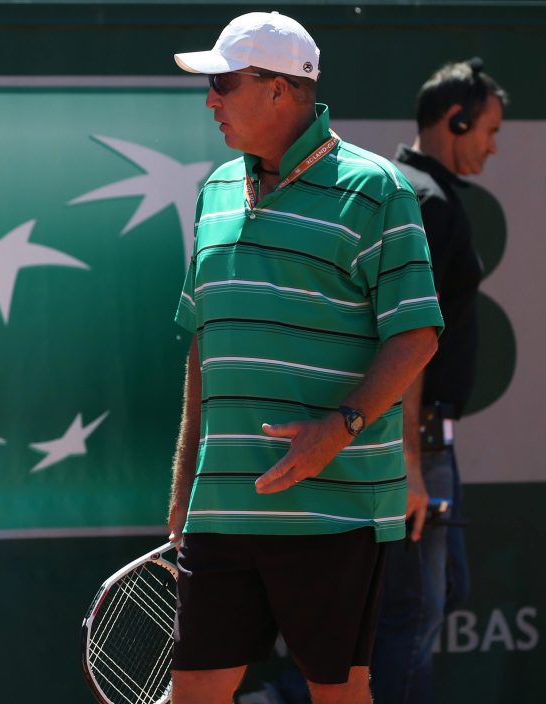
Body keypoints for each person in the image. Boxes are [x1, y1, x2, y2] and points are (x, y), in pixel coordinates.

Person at [167, 12, 444, 704]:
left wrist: (340, 427)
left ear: (279, 91)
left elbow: (416, 335)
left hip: (337, 508)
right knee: (196, 689)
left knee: (339, 691)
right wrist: (183, 489)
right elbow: (204, 343)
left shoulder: (378, 191)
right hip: (223, 509)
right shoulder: (215, 192)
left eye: (224, 84)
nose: (211, 101)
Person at [371, 59, 507, 704]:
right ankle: (286, 697)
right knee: (412, 615)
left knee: (441, 593)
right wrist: (409, 461)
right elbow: (402, 336)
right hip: (414, 443)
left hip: (426, 442)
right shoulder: (424, 201)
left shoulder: (423, 194)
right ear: (455, 121)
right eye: (487, 128)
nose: (492, 144)